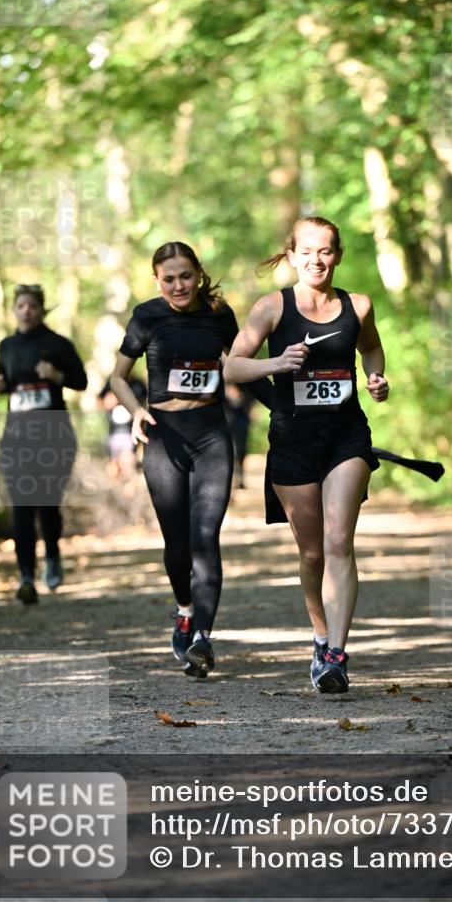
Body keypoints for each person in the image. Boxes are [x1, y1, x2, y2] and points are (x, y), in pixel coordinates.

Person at [224, 216, 389, 694]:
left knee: (339, 542)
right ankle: (320, 637)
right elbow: (232, 367)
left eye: (326, 251)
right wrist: (276, 363)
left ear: (337, 255)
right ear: (292, 255)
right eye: (307, 251)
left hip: (346, 437)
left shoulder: (358, 305)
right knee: (313, 553)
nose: (317, 260)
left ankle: (336, 655)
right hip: (293, 440)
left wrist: (376, 378)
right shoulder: (272, 307)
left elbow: (372, 350)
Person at [110, 241, 274, 678]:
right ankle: (185, 609)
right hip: (164, 439)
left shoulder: (220, 315)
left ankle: (202, 637)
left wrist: (287, 409)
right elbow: (118, 377)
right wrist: (136, 410)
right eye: (169, 279)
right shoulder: (147, 317)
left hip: (211, 437)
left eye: (186, 276)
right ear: (156, 281)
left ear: (199, 274)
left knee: (205, 538)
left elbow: (243, 369)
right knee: (177, 547)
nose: (179, 285)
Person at [0, 283, 87, 604]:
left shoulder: (58, 344)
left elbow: (82, 381)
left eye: (32, 305)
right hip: (16, 439)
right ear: (14, 310)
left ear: (42, 309)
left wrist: (57, 376)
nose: (26, 311)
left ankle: (53, 555)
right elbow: (6, 382)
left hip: (54, 437)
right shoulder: (6, 346)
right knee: (21, 506)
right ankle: (26, 576)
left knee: (47, 505)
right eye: (21, 306)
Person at [97, 376, 147, 479]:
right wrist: (108, 401)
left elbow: (146, 404)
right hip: (115, 431)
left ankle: (129, 476)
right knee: (116, 463)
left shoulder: (137, 384)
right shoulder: (111, 382)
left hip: (131, 432)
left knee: (127, 458)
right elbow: (99, 401)